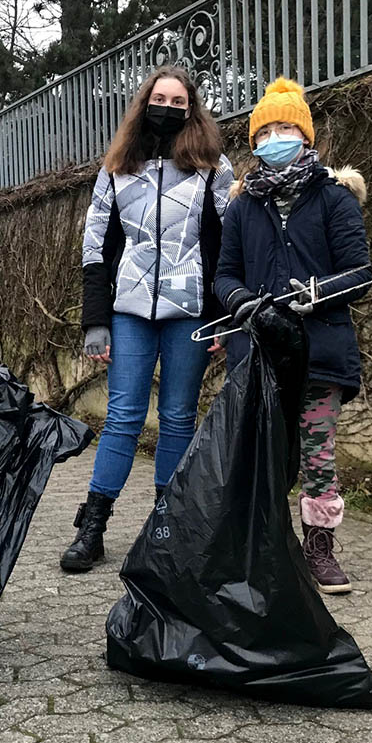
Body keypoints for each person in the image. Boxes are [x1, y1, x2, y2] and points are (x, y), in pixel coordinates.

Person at [61, 65, 233, 573]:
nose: (168, 108)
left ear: (192, 108)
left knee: (179, 416)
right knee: (122, 417)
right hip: (130, 310)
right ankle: (92, 528)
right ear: (143, 103)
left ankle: (168, 528)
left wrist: (223, 316)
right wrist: (96, 319)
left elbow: (228, 244)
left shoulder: (213, 167)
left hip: (190, 312)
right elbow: (96, 244)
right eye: (159, 98)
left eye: (178, 101)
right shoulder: (118, 166)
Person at [214, 77, 372, 594]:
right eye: (266, 131)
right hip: (259, 351)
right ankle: (265, 542)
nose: (275, 137)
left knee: (318, 452)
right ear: (255, 141)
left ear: (306, 137)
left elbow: (360, 272)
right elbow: (224, 274)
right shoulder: (240, 206)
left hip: (321, 349)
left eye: (286, 127)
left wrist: (319, 293)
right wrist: (242, 304)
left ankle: (320, 548)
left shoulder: (334, 198)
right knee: (262, 450)